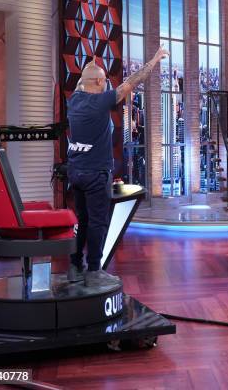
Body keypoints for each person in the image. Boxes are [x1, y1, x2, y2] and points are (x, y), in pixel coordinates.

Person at [67, 45, 169, 287]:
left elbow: (89, 82)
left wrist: (92, 70)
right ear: (100, 83)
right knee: (98, 222)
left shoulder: (75, 100)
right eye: (104, 82)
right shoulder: (100, 103)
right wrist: (153, 60)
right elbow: (132, 82)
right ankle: (94, 270)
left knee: (82, 221)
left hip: (75, 172)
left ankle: (74, 266)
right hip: (95, 174)